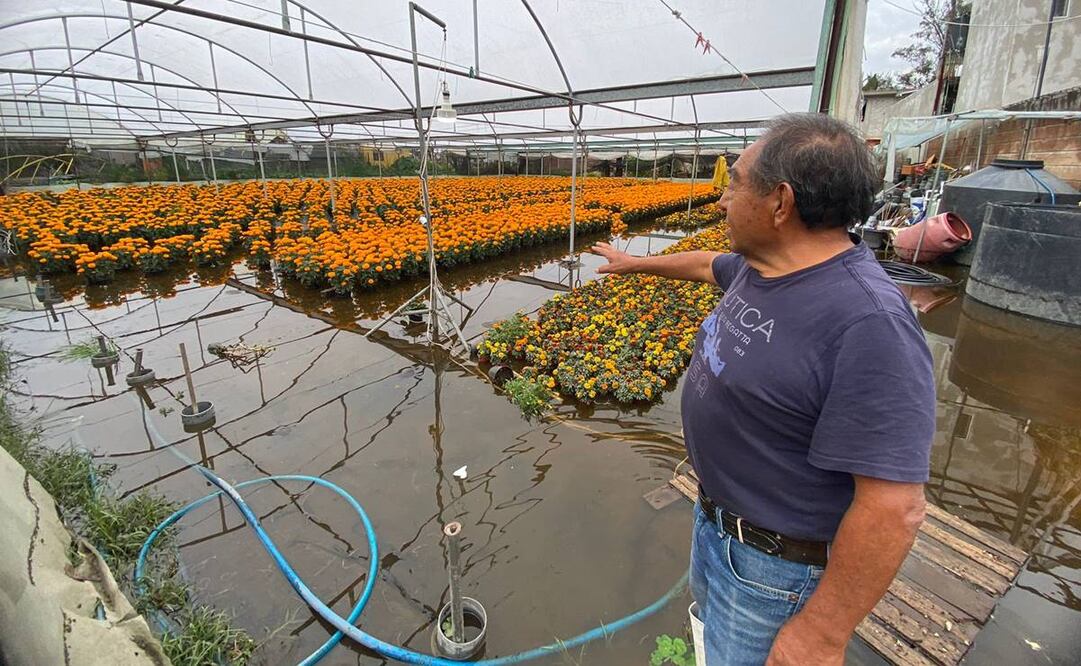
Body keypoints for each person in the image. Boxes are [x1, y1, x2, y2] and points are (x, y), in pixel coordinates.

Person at [591, 113, 934, 665]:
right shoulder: (763, 266)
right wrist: (634, 263)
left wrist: (821, 633)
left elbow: (894, 507)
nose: (723, 200)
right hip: (719, 527)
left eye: (734, 184)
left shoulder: (868, 322)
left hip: (775, 572)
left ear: (780, 202)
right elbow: (708, 264)